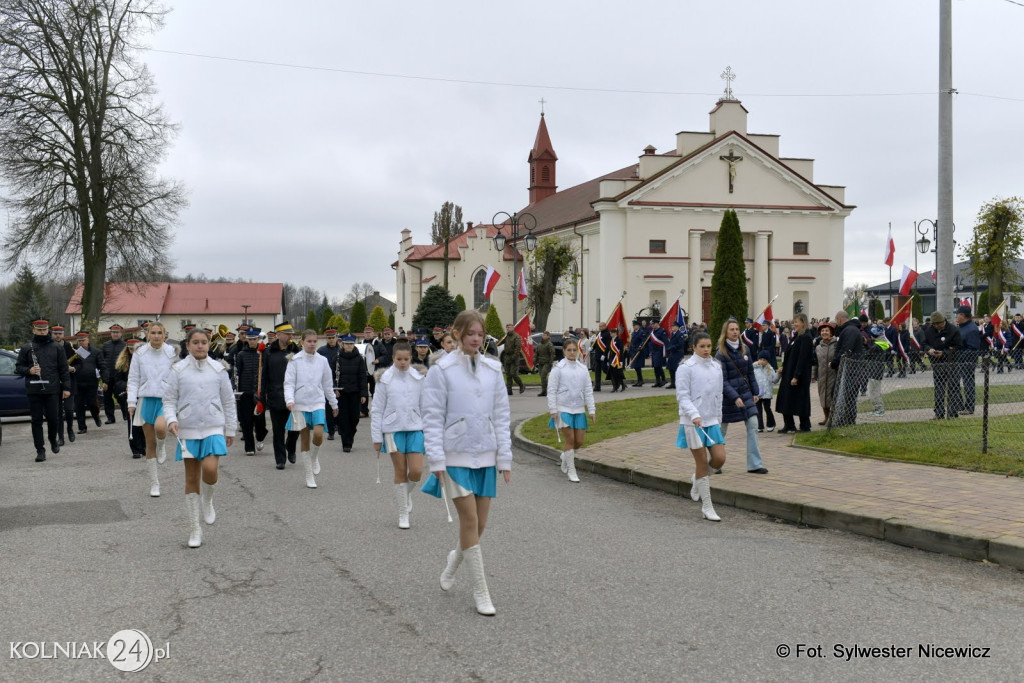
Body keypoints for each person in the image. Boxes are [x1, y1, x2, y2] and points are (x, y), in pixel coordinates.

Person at [421, 309, 512, 616]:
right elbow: (432, 418)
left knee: (480, 525)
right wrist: (436, 458)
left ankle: (454, 562)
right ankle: (480, 590)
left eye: (480, 334)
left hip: (485, 454)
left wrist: (505, 458)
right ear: (457, 334)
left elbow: (501, 416)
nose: (476, 339)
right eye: (470, 333)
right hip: (454, 455)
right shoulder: (441, 370)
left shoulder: (493, 370)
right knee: (470, 521)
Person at [162, 328, 237, 548]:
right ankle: (195, 528)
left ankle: (208, 498)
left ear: (208, 344)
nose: (200, 346)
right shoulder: (177, 370)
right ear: (188, 346)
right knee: (192, 479)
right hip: (188, 429)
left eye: (204, 342)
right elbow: (168, 400)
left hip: (214, 426)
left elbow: (229, 400)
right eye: (195, 342)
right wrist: (171, 419)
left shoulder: (218, 369)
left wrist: (230, 428)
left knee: (211, 470)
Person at [371, 341, 425, 529]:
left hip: (415, 427)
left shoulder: (419, 378)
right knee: (400, 472)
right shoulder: (384, 379)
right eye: (399, 359)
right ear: (393, 358)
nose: (403, 363)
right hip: (392, 429)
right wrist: (376, 438)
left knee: (416, 472)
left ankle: (406, 493)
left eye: (406, 359)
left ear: (411, 358)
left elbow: (426, 407)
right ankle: (403, 513)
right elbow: (377, 410)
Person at [675, 331, 726, 521]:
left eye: (708, 346)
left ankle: (697, 479)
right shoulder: (685, 368)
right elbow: (682, 395)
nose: (706, 350)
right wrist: (694, 414)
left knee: (719, 459)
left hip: (711, 419)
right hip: (692, 421)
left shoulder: (716, 367)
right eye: (702, 346)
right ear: (694, 347)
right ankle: (707, 506)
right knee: (702, 462)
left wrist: (718, 418)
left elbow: (719, 394)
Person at [126, 321, 177, 496]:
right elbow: (133, 379)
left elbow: (178, 376)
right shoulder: (140, 353)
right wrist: (131, 402)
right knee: (149, 443)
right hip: (146, 399)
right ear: (148, 334)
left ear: (164, 335)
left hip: (165, 399)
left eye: (159, 333)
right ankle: (155, 483)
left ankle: (163, 445)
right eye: (153, 333)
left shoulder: (172, 352)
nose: (156, 336)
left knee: (161, 428)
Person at [285, 329, 339, 488]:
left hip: (317, 402)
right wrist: (289, 400)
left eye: (315, 341)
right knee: (305, 439)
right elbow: (288, 383)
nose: (312, 344)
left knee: (318, 434)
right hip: (300, 404)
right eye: (309, 341)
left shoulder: (322, 361)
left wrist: (333, 403)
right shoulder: (294, 361)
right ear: (302, 342)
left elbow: (328, 385)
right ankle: (309, 474)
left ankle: (314, 458)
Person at [15, 319, 71, 462]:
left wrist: (66, 387)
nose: (42, 332)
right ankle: (40, 450)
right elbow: (18, 368)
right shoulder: (27, 347)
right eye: (39, 330)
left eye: (44, 330)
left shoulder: (57, 347)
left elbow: (63, 369)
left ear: (48, 330)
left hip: (52, 389)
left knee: (53, 418)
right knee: (36, 421)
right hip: (34, 389)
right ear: (34, 330)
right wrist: (29, 370)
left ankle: (53, 439)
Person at [716, 319, 767, 474]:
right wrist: (734, 397)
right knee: (721, 430)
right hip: (728, 398)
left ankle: (754, 464)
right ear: (726, 332)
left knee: (753, 425)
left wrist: (755, 392)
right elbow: (722, 381)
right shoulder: (721, 354)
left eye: (737, 329)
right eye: (732, 329)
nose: (735, 332)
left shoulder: (745, 349)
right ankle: (716, 463)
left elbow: (750, 373)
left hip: (745, 394)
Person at [546, 338, 596, 483]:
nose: (572, 353)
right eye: (569, 350)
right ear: (564, 351)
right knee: (570, 440)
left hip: (579, 408)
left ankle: (565, 456)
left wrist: (592, 410)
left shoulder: (583, 368)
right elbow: (552, 390)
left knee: (579, 441)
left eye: (574, 350)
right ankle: (572, 471)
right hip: (563, 408)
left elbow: (588, 390)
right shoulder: (558, 368)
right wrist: (553, 409)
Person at [262, 322, 301, 470]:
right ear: (278, 335)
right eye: (287, 333)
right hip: (275, 395)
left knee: (295, 428)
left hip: (294, 396)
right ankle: (280, 459)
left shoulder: (296, 350)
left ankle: (290, 447)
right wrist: (262, 396)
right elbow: (264, 375)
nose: (290, 336)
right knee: (278, 430)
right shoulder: (269, 352)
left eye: (291, 333)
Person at [776, 313, 815, 433]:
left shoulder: (806, 337)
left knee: (800, 400)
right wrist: (783, 366)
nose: (794, 324)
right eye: (793, 322)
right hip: (789, 372)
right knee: (786, 398)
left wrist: (796, 376)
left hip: (798, 376)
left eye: (796, 322)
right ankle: (789, 425)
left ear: (803, 322)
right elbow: (789, 354)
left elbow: (803, 359)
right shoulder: (797, 336)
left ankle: (805, 426)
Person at [922, 311, 964, 420]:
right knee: (939, 389)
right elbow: (924, 344)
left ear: (943, 321)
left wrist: (944, 353)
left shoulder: (953, 330)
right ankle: (939, 412)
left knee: (953, 388)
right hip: (937, 365)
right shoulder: (929, 331)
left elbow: (958, 347)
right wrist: (929, 350)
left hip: (952, 364)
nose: (936, 326)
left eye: (938, 324)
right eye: (934, 324)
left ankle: (952, 412)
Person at [234, 328, 269, 456]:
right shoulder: (241, 354)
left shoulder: (263, 353)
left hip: (259, 392)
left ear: (258, 340)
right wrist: (237, 388)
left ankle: (260, 437)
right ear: (247, 340)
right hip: (245, 391)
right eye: (250, 339)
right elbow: (238, 372)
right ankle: (249, 447)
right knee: (246, 420)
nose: (252, 342)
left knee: (259, 420)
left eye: (254, 339)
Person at [829, 310, 866, 428]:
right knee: (845, 394)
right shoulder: (850, 329)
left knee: (847, 395)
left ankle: (847, 420)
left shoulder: (849, 330)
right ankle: (845, 419)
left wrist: (835, 362)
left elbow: (845, 349)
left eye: (836, 320)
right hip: (850, 368)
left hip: (850, 369)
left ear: (840, 319)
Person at [334, 333, 368, 453]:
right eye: (347, 344)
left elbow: (362, 376)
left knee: (354, 418)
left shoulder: (359, 358)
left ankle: (351, 434)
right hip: (341, 393)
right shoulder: (337, 358)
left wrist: (364, 393)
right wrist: (335, 389)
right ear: (342, 344)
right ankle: (346, 443)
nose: (349, 346)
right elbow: (332, 376)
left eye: (351, 344)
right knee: (343, 419)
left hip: (355, 392)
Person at [113, 339, 146, 457]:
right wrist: (126, 386)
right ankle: (136, 449)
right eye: (131, 349)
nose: (133, 351)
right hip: (129, 394)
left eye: (136, 349)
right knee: (132, 421)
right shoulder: (123, 362)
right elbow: (117, 380)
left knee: (144, 422)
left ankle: (145, 446)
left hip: (144, 393)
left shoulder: (146, 360)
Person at [50, 326, 77, 446]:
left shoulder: (71, 346)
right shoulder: (48, 346)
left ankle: (70, 429)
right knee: (57, 412)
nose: (57, 336)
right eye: (55, 333)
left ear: (63, 334)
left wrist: (73, 368)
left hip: (69, 382)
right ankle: (60, 437)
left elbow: (83, 362)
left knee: (69, 410)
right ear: (52, 334)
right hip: (55, 383)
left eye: (59, 333)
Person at [71, 332, 102, 434]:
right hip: (77, 382)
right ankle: (82, 427)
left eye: (83, 340)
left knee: (92, 403)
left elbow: (101, 366)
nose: (81, 342)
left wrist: (103, 378)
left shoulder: (96, 352)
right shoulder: (73, 352)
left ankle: (96, 416)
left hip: (91, 382)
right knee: (78, 406)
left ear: (88, 340)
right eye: (79, 340)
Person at [99, 324, 128, 424]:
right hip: (107, 375)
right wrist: (103, 377)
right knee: (107, 397)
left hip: (120, 375)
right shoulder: (106, 345)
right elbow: (102, 361)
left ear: (121, 333)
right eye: (113, 332)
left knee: (120, 396)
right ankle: (110, 418)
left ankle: (125, 414)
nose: (115, 334)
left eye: (117, 332)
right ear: (110, 333)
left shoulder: (125, 345)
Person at [812, 322, 839, 425]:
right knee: (823, 397)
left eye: (827, 330)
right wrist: (813, 376)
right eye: (822, 331)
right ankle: (826, 417)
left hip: (833, 375)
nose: (824, 332)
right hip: (822, 376)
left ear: (831, 332)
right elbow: (815, 362)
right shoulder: (818, 347)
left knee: (832, 397)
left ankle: (833, 418)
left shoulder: (836, 345)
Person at [955, 305, 981, 415]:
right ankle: (959, 404)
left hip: (967, 361)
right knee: (955, 383)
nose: (956, 316)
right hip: (958, 360)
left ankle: (969, 407)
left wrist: (960, 357)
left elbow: (973, 347)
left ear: (963, 316)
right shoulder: (960, 327)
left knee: (968, 384)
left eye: (958, 314)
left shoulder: (972, 329)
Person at [317, 328, 341, 440]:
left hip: (339, 382)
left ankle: (339, 426)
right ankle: (330, 431)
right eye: (329, 338)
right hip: (326, 382)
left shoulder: (341, 350)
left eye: (333, 337)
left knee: (340, 406)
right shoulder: (321, 351)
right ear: (326, 338)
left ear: (336, 337)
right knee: (328, 407)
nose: (331, 340)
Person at [864, 325, 891, 416]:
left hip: (874, 370)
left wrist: (864, 344)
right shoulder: (882, 344)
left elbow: (867, 355)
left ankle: (879, 409)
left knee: (873, 391)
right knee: (876, 390)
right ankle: (878, 408)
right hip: (878, 370)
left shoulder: (876, 346)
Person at [753, 351, 778, 433]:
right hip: (757, 394)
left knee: (767, 408)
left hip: (767, 393)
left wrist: (779, 374)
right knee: (758, 409)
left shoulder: (770, 369)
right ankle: (759, 426)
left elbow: (774, 380)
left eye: (764, 360)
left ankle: (770, 424)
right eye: (760, 359)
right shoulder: (754, 368)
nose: (762, 361)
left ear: (767, 361)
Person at [498, 323, 525, 395]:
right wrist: (502, 338)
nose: (507, 329)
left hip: (514, 357)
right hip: (507, 357)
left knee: (513, 374)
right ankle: (509, 390)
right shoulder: (506, 337)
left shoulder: (516, 336)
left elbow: (518, 347)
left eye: (509, 327)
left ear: (513, 328)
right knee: (508, 374)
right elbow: (499, 343)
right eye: (506, 328)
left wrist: (514, 356)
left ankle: (521, 385)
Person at [664, 320, 687, 390]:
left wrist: (672, 347)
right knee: (671, 369)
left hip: (678, 353)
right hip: (672, 353)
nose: (672, 327)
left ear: (677, 327)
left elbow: (680, 344)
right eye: (672, 326)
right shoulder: (672, 334)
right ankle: (672, 383)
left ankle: (678, 383)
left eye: (673, 326)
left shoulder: (679, 334)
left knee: (677, 369)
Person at [535, 331, 556, 397]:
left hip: (547, 362)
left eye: (545, 335)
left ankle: (545, 391)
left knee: (543, 376)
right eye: (543, 335)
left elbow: (552, 353)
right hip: (540, 362)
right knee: (541, 376)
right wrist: (535, 360)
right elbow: (536, 353)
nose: (543, 336)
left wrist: (550, 362)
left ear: (548, 336)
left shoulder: (549, 344)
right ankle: (545, 390)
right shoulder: (539, 344)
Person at [648, 320, 669, 387]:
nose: (652, 325)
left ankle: (663, 379)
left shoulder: (662, 331)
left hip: (659, 351)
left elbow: (665, 341)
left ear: (657, 324)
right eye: (652, 324)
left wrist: (667, 351)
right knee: (655, 367)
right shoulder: (653, 332)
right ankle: (658, 381)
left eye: (653, 324)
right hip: (654, 351)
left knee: (658, 366)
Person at [628, 320, 648, 387]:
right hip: (633, 350)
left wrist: (640, 346)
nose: (633, 327)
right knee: (635, 367)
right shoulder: (633, 333)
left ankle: (640, 380)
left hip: (638, 351)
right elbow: (632, 342)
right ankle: (639, 380)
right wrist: (630, 349)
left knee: (638, 366)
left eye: (634, 325)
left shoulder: (641, 332)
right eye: (633, 326)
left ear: (638, 326)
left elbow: (644, 341)